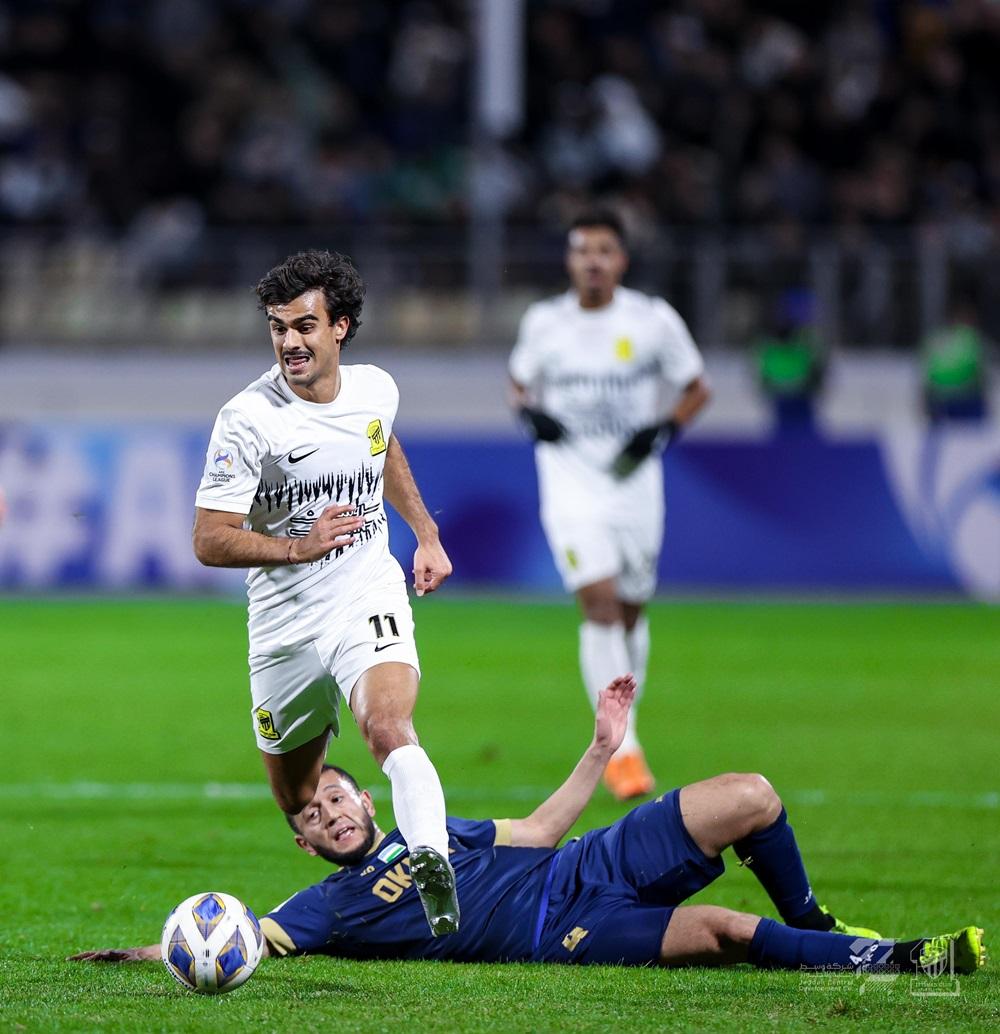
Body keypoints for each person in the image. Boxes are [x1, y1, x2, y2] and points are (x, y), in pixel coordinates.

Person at [71, 674, 985, 976]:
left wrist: (600, 748)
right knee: (726, 931)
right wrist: (149, 953)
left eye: (338, 798)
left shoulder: (433, 827)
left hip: (589, 861)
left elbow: (542, 831)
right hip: (564, 930)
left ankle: (819, 922)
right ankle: (904, 961)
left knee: (750, 794)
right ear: (302, 841)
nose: (331, 813)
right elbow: (237, 940)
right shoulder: (328, 906)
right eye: (313, 813)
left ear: (368, 801)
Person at [191, 249, 458, 935]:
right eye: (278, 328)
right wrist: (296, 547)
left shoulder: (376, 390)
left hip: (363, 591)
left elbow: (380, 446)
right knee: (295, 794)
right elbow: (209, 539)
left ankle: (430, 857)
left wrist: (425, 534)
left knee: (387, 726)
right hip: (283, 623)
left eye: (304, 326)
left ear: (340, 326)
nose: (289, 342)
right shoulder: (248, 419)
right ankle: (358, 847)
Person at [509, 209, 711, 801]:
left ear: (621, 260)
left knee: (630, 611)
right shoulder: (545, 322)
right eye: (582, 251)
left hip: (633, 483)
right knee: (598, 604)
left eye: (603, 250)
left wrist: (664, 429)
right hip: (570, 482)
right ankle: (623, 750)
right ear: (570, 260)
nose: (592, 261)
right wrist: (530, 415)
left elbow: (697, 387)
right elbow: (518, 385)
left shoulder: (651, 320)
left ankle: (627, 723)